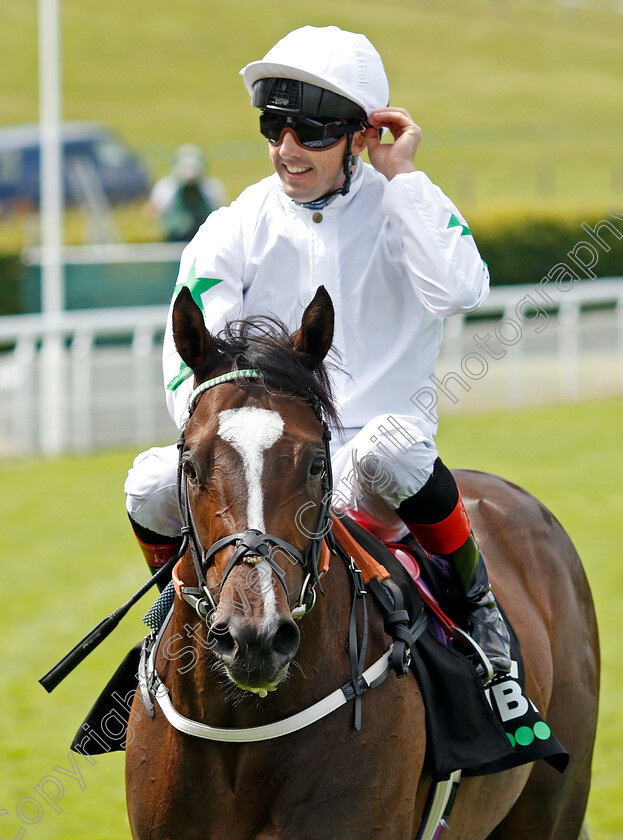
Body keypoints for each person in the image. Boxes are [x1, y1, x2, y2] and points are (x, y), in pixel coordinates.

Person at [125, 25, 511, 678]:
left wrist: (404, 175)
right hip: (265, 461)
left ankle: (477, 608)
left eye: (311, 133)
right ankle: (181, 607)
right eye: (273, 128)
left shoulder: (402, 204)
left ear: (361, 134)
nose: (287, 149)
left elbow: (462, 287)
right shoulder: (232, 227)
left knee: (394, 443)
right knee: (148, 482)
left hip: (371, 461)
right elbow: (194, 363)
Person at [147, 144, 227, 242]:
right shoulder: (165, 188)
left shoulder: (211, 188)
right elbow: (151, 214)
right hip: (173, 241)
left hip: (205, 241)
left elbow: (221, 218)